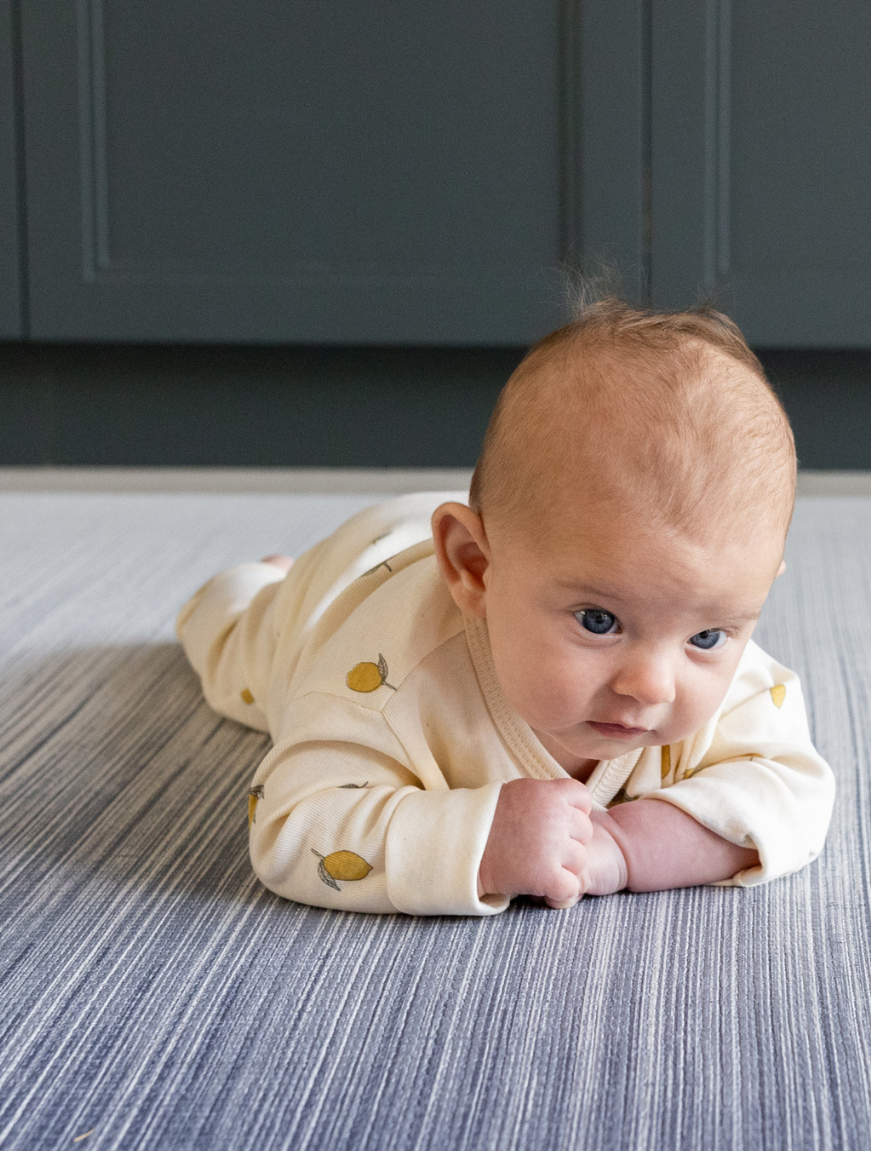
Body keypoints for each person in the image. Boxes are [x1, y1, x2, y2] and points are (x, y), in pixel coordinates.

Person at [176, 298, 835, 914]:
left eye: (711, 635)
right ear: (475, 569)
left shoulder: (717, 665)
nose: (653, 684)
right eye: (600, 621)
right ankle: (254, 583)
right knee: (236, 650)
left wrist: (628, 844)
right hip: (339, 584)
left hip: (517, 534)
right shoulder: (387, 688)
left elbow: (796, 795)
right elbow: (291, 823)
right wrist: (481, 842)